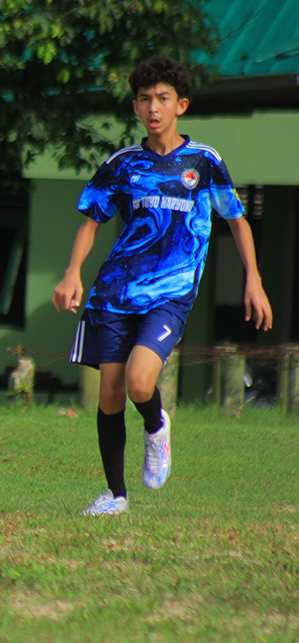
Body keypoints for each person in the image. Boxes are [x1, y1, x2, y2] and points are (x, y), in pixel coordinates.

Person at [52, 56, 273, 516]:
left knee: (139, 382)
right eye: (145, 99)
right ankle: (115, 496)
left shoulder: (204, 163)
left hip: (170, 294)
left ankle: (156, 426)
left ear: (181, 105)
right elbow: (91, 223)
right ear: (135, 107)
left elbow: (237, 221)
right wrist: (72, 272)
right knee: (109, 394)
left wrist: (253, 279)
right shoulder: (122, 164)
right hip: (116, 292)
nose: (154, 107)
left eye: (163, 98)